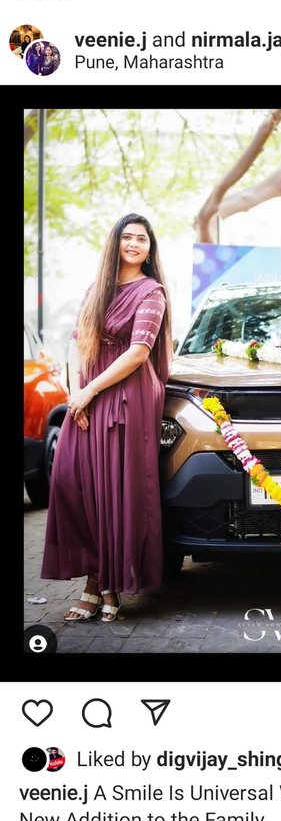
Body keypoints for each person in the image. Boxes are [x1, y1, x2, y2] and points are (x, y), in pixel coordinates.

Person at [41, 213, 173, 621]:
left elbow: (137, 353)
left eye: (142, 239)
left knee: (116, 491)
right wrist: (76, 395)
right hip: (89, 393)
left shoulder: (152, 292)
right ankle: (95, 579)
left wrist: (90, 391)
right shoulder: (95, 291)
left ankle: (107, 587)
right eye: (127, 237)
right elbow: (79, 343)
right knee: (72, 483)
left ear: (150, 249)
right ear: (115, 242)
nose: (134, 244)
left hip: (128, 396)